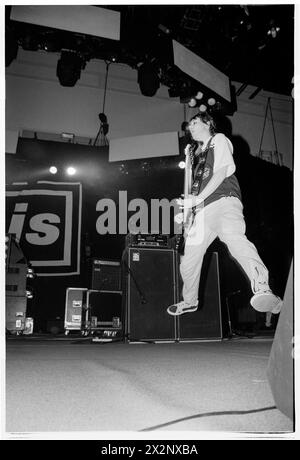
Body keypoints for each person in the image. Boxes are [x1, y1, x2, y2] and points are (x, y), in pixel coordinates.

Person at [167, 111, 283, 316]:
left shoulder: (218, 140)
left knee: (235, 240)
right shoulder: (197, 156)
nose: (190, 126)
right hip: (202, 212)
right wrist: (188, 213)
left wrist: (198, 199)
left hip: (224, 202)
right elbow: (194, 191)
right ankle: (190, 300)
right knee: (188, 260)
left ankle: (262, 287)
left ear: (208, 124)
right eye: (190, 124)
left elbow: (222, 171)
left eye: (195, 122)